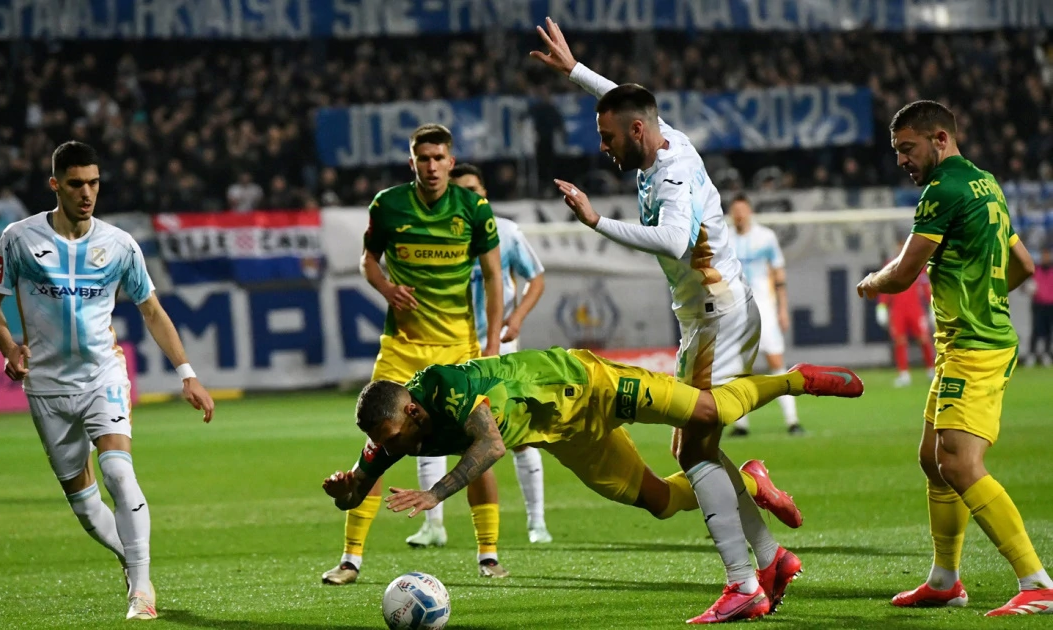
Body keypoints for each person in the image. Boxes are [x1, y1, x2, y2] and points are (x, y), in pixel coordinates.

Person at [531, 18, 802, 622]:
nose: (602, 146)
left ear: (635, 133)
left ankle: (743, 583)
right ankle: (769, 557)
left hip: (718, 319)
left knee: (692, 449)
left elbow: (677, 241)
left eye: (607, 137)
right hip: (706, 318)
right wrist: (575, 71)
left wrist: (597, 223)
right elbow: (627, 100)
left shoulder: (672, 174)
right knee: (694, 446)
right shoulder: (662, 135)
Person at [324, 350, 862, 621]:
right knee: (657, 500)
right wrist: (346, 490)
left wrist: (434, 494)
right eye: (379, 442)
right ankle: (746, 478)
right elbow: (359, 484)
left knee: (703, 412)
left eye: (390, 436)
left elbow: (489, 446)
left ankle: (798, 378)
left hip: (586, 384)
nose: (387, 448)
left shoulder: (447, 388)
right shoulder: (389, 436)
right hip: (564, 435)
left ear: (413, 411)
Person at [0, 141, 216, 621]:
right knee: (86, 508)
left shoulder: (119, 244)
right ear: (55, 186)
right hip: (45, 385)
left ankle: (142, 589)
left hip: (101, 376)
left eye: (93, 183)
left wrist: (187, 374)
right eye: (76, 184)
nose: (87, 193)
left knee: (118, 472)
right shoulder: (19, 239)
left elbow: (151, 310)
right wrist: (10, 349)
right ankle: (132, 565)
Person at [857, 100, 1053, 616]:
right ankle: (944, 579)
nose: (901, 159)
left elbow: (900, 275)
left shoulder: (941, 190)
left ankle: (1037, 581)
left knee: (961, 464)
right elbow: (1024, 264)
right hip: (965, 343)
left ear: (939, 139)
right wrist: (986, 299)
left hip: (974, 348)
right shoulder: (986, 183)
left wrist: (870, 282)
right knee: (933, 460)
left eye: (907, 148)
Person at [322, 125, 507, 586]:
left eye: (438, 157)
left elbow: (494, 275)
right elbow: (368, 261)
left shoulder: (473, 208)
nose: (430, 166)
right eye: (422, 158)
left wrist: (491, 348)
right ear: (412, 162)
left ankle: (488, 554)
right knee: (375, 448)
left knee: (478, 443)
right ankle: (351, 559)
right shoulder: (388, 205)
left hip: (458, 351)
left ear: (450, 160)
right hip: (402, 349)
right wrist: (386, 287)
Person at [408, 163, 555, 547]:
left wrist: (518, 317)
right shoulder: (437, 238)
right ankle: (432, 525)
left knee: (520, 434)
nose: (470, 197)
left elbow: (535, 278)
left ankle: (536, 523)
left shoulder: (505, 232)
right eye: (462, 191)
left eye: (474, 189)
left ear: (484, 192)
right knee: (429, 427)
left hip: (499, 348)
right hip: (448, 345)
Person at [726, 195, 802, 436]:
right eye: (735, 210)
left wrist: (782, 308)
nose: (739, 214)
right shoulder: (723, 238)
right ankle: (741, 424)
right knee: (738, 365)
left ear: (749, 212)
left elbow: (779, 273)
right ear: (731, 213)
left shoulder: (766, 237)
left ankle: (792, 420)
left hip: (764, 307)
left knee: (776, 360)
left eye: (742, 209)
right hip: (734, 309)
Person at [876, 240, 936, 387]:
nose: (901, 247)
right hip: (898, 310)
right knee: (900, 341)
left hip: (915, 309)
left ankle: (931, 370)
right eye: (899, 245)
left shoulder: (918, 265)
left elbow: (926, 287)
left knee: (924, 339)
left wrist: (932, 307)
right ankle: (904, 374)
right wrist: (882, 307)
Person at [1026, 247, 1053, 366]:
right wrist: (1028, 289)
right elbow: (1026, 287)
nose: (1045, 258)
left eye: (1047, 256)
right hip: (1038, 304)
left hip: (1050, 305)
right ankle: (1031, 354)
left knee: (1048, 330)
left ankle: (1046, 354)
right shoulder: (1036, 270)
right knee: (1036, 330)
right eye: (1044, 256)